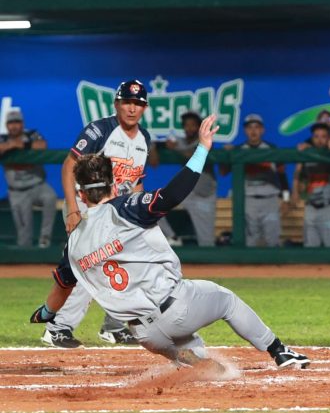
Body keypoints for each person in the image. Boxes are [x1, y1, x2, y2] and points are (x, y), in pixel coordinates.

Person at [29, 115, 310, 370]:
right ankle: (279, 351)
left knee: (203, 361)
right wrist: (202, 149)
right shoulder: (127, 208)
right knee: (226, 300)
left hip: (145, 335)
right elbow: (173, 194)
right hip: (176, 308)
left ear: (80, 193)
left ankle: (191, 359)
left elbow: (62, 288)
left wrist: (46, 312)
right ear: (113, 185)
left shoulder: (73, 242)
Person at [42, 79, 150, 348]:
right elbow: (69, 166)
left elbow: (136, 182)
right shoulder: (100, 130)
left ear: (145, 108)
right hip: (87, 206)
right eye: (127, 102)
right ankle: (57, 328)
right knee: (87, 265)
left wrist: (139, 215)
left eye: (138, 103)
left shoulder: (144, 138)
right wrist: (72, 209)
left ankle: (114, 327)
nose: (132, 108)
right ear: (116, 104)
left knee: (128, 264)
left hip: (116, 213)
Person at [221, 114, 289, 247]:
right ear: (245, 131)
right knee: (250, 241)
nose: (253, 131)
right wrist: (226, 155)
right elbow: (223, 172)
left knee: (272, 240)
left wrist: (286, 199)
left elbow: (282, 175)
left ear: (262, 130)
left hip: (270, 200)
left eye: (257, 127)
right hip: (248, 200)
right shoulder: (238, 150)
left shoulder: (272, 149)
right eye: (249, 127)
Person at [152, 111, 217, 246]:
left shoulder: (205, 140)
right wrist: (153, 148)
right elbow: (154, 143)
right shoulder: (180, 141)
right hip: (187, 192)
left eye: (193, 125)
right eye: (187, 125)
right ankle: (172, 237)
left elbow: (193, 153)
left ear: (199, 127)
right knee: (154, 205)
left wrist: (175, 148)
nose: (189, 128)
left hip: (204, 196)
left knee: (207, 242)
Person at [0, 110, 57, 248]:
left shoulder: (32, 134)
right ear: (7, 125)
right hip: (17, 192)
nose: (14, 126)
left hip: (37, 186)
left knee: (50, 197)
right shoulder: (2, 138)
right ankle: (25, 256)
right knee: (24, 237)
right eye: (11, 123)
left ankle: (45, 238)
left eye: (17, 122)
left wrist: (19, 145)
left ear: (22, 123)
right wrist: (9, 145)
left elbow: (42, 145)